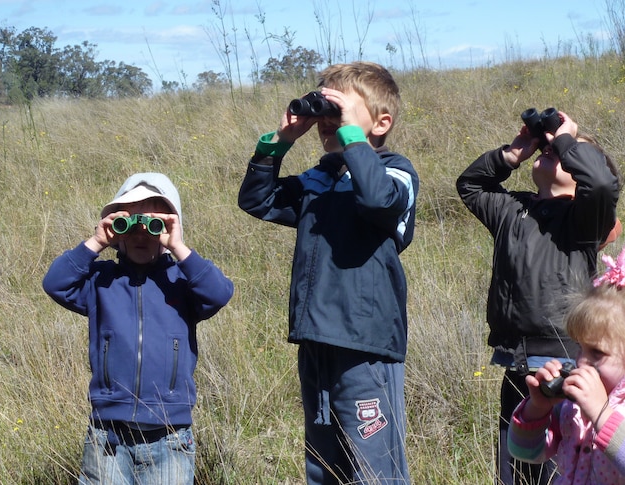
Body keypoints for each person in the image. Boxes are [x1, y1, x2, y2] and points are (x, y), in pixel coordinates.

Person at [237, 61, 418, 484]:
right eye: (324, 109)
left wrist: (351, 136)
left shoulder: (396, 171)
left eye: (339, 109)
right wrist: (280, 141)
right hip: (317, 338)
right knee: (324, 466)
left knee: (373, 467)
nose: (327, 120)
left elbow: (376, 200)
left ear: (380, 122)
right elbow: (257, 200)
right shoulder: (320, 179)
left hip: (365, 340)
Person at [456, 109, 620, 485]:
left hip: (565, 368)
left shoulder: (584, 219)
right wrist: (511, 155)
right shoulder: (513, 209)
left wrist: (566, 139)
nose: (552, 150)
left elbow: (601, 184)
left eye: (566, 153)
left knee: (558, 472)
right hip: (517, 366)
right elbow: (471, 186)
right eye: (550, 147)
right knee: (515, 470)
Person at [42, 172, 235, 484]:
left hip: (170, 435)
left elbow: (220, 293)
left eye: (153, 225)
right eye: (129, 224)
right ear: (117, 230)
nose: (141, 234)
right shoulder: (101, 281)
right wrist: (97, 241)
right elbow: (55, 283)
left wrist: (178, 246)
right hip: (107, 436)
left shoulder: (183, 282)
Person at [508, 244, 625, 484]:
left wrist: (602, 413)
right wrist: (538, 408)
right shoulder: (575, 405)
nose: (580, 360)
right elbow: (526, 453)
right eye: (580, 347)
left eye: (597, 352)